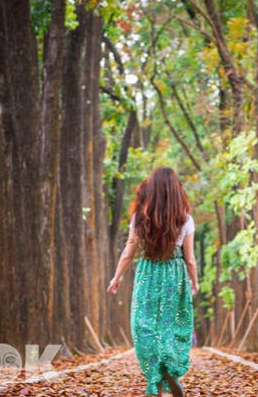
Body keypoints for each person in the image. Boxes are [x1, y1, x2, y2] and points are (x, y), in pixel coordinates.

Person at [107, 166, 199, 397]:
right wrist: (194, 283)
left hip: (147, 274)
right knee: (171, 326)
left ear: (150, 190)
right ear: (176, 191)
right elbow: (190, 259)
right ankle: (170, 371)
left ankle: (155, 380)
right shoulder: (185, 219)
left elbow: (129, 252)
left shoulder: (140, 217)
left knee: (143, 326)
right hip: (175, 275)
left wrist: (116, 277)